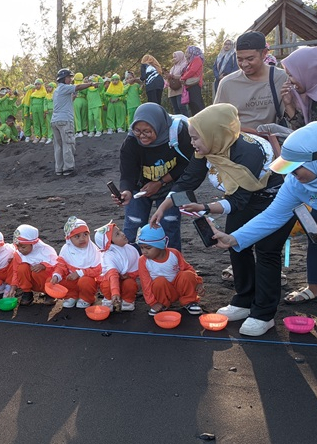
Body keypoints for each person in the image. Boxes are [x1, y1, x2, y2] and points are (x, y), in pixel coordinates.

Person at [150, 104, 288, 335]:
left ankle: (264, 314)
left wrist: (204, 208)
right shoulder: (209, 146)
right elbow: (189, 179)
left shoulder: (248, 152)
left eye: (195, 138)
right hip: (242, 199)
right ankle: (244, 300)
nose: (192, 142)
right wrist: (166, 204)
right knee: (237, 246)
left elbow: (238, 200)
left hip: (273, 201)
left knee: (267, 252)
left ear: (214, 133)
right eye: (192, 137)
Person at [212, 122, 317, 335]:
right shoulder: (296, 183)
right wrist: (234, 239)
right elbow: (272, 216)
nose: (291, 174)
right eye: (287, 168)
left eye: (295, 167)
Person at [277, 46, 317, 303]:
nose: (290, 81)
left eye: (292, 74)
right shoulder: (311, 96)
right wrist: (291, 108)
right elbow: (304, 141)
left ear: (310, 70)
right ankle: (314, 287)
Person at [113, 103, 193, 250]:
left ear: (158, 126)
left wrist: (160, 182)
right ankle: (133, 261)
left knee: (169, 223)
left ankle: (171, 260)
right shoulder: (131, 142)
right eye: (137, 130)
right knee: (134, 224)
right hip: (140, 188)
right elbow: (127, 173)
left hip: (173, 186)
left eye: (147, 131)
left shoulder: (178, 133)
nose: (142, 136)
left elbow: (187, 165)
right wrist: (126, 191)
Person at [214, 31, 288, 129]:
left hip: (272, 136)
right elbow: (217, 120)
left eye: (250, 59)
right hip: (239, 136)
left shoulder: (281, 78)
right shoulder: (227, 83)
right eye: (240, 59)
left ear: (264, 53)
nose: (244, 64)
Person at [136, 224, 203, 316]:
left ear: (160, 245)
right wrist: (152, 302)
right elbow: (145, 283)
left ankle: (189, 302)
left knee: (187, 274)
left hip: (179, 288)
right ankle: (162, 304)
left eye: (148, 248)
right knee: (159, 282)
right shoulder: (143, 260)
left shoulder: (174, 253)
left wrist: (198, 282)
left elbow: (188, 268)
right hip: (162, 292)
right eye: (141, 248)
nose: (144, 252)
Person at [49, 217, 102, 309]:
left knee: (85, 281)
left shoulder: (93, 250)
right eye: (77, 236)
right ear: (69, 238)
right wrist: (56, 275)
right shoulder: (66, 249)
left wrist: (79, 273)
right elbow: (61, 266)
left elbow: (98, 270)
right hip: (72, 280)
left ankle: (86, 298)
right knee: (54, 279)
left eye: (85, 234)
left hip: (87, 281)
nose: (82, 238)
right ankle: (72, 295)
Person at [4, 224, 58, 306]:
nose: (20, 249)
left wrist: (44, 266)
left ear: (33, 244)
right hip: (32, 283)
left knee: (38, 272)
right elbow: (15, 272)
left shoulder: (46, 251)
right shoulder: (18, 254)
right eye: (18, 246)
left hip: (46, 281)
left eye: (23, 247)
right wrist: (13, 288)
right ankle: (27, 292)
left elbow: (56, 267)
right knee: (21, 268)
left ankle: (49, 293)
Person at [51, 69, 90, 176]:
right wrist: (91, 84)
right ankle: (68, 168)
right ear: (63, 78)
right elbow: (78, 87)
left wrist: (72, 99)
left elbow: (62, 104)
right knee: (68, 143)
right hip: (65, 120)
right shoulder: (65, 87)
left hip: (55, 121)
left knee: (58, 146)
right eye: (69, 77)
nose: (70, 79)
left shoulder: (56, 91)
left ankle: (59, 169)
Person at [94, 221, 139, 312]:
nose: (122, 234)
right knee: (106, 284)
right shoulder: (108, 256)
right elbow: (112, 275)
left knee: (130, 283)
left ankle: (128, 300)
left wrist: (130, 276)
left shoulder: (131, 250)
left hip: (125, 283)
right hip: (112, 283)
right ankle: (108, 299)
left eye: (120, 231)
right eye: (117, 234)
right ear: (109, 243)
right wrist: (115, 293)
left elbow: (138, 268)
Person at [180, 46, 206, 115]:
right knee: (192, 104)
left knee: (196, 103)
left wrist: (183, 78)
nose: (186, 54)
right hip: (189, 84)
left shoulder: (197, 59)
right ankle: (195, 118)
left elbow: (192, 71)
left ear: (193, 52)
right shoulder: (189, 61)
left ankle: (203, 117)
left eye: (188, 52)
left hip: (195, 84)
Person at [167, 51, 188, 115]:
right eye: (173, 57)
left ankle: (185, 120)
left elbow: (185, 76)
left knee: (181, 107)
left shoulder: (184, 65)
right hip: (172, 90)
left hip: (180, 89)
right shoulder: (172, 68)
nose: (174, 58)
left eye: (175, 57)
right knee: (175, 109)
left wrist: (173, 76)